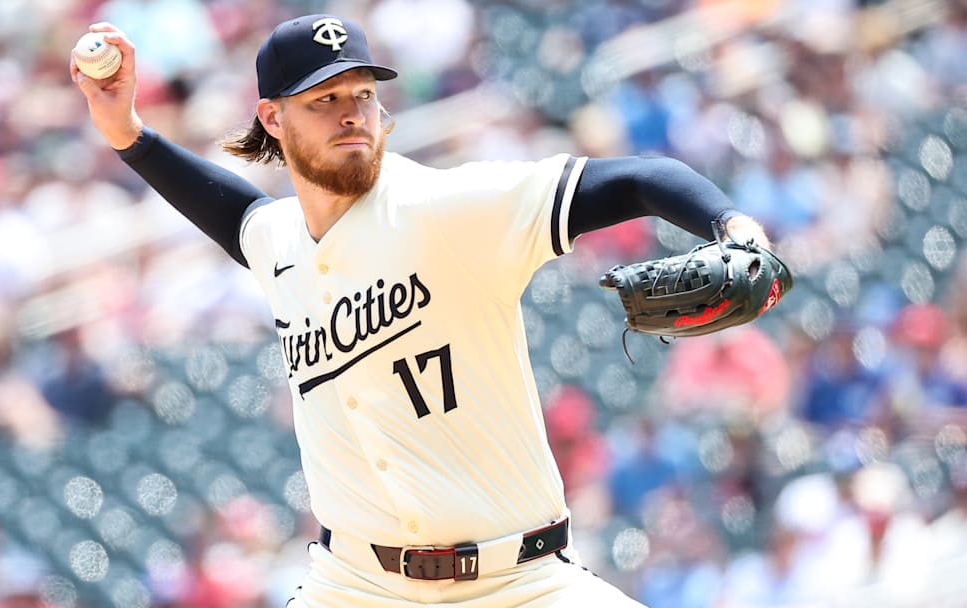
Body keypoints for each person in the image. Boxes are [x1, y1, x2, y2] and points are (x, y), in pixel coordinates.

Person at [71, 13, 772, 607]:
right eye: (322, 99)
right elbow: (233, 215)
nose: (350, 111)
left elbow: (637, 177)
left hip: (518, 582)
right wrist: (126, 130)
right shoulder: (279, 242)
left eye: (361, 93)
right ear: (272, 118)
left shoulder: (447, 209)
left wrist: (736, 227)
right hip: (355, 584)